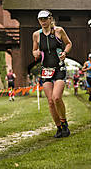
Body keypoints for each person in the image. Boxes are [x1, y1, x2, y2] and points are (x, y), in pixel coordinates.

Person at [32, 10, 72, 138]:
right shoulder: (36, 35)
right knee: (50, 102)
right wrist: (35, 53)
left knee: (56, 98)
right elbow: (34, 50)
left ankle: (64, 123)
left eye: (45, 19)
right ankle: (59, 128)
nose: (43, 22)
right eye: (40, 19)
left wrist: (65, 53)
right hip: (46, 69)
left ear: (50, 19)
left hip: (59, 67)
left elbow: (69, 44)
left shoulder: (59, 31)